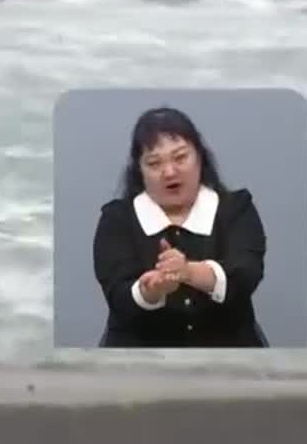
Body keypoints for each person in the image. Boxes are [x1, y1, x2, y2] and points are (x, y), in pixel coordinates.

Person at [91, 106, 268, 347]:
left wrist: (189, 273)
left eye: (180, 157)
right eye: (154, 163)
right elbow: (118, 294)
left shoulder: (236, 208)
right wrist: (151, 290)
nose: (169, 172)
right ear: (139, 171)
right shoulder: (117, 219)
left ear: (200, 157)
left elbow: (246, 274)